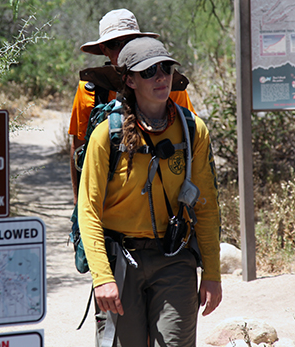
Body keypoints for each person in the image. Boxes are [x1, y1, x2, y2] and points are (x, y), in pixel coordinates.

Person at [78, 37, 222, 347]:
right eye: (149, 71)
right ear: (128, 80)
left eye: (166, 68)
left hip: (176, 258)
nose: (161, 77)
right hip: (121, 262)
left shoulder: (193, 130)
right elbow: (88, 212)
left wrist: (212, 273)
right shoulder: (107, 134)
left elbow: (207, 208)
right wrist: (102, 277)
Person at [69, 8, 196, 203]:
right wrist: (79, 204)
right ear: (104, 49)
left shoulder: (168, 86)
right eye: (114, 44)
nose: (123, 49)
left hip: (167, 197)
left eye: (129, 42)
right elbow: (79, 151)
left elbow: (192, 140)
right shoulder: (90, 90)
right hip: (112, 202)